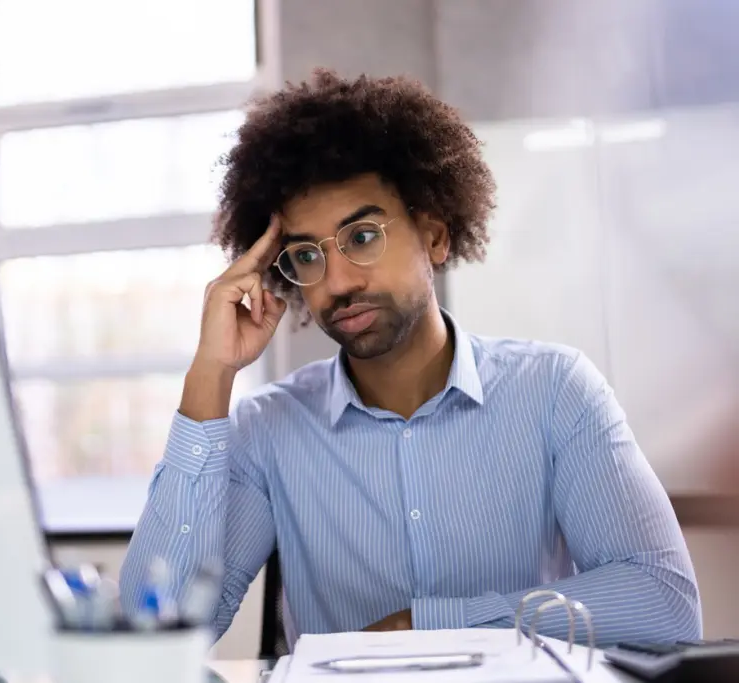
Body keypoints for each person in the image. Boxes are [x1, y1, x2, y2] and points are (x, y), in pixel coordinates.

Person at [120, 70, 701, 648]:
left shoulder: (554, 391)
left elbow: (664, 602)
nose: (338, 282)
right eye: (307, 256)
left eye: (362, 237)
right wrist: (212, 371)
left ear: (435, 237)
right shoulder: (268, 429)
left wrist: (430, 625)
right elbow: (152, 638)